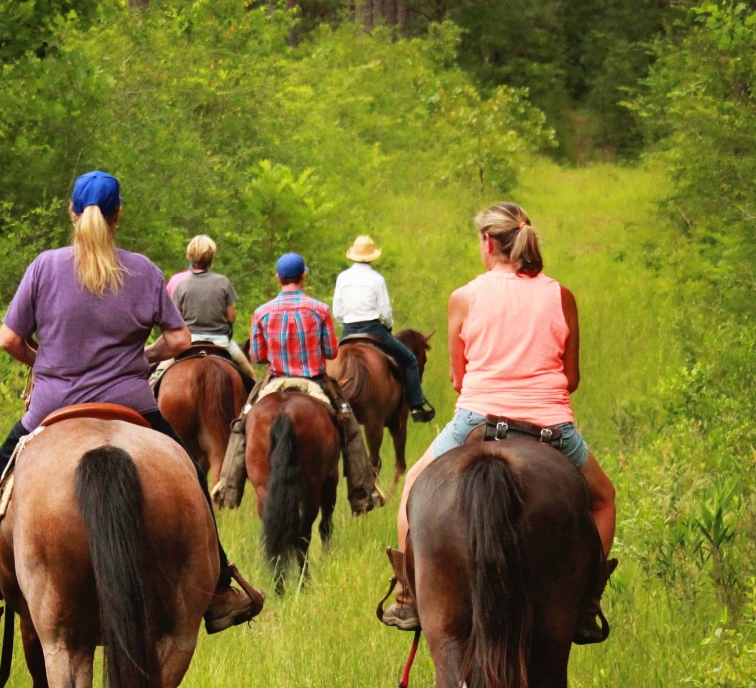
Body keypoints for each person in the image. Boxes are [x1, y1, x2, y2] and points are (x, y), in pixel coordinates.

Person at [0, 170, 263, 643]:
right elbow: (179, 339)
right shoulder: (144, 270)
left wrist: (41, 361)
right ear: (118, 215)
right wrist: (146, 356)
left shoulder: (44, 267)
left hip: (52, 405)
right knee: (191, 477)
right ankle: (217, 592)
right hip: (131, 403)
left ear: (72, 212)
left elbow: (8, 338)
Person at [381, 202, 616, 643]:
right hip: (551, 427)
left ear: (488, 242)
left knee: (412, 488)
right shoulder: (561, 295)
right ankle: (587, 600)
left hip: (476, 420)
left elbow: (457, 378)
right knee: (604, 500)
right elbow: (572, 378)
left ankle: (410, 594)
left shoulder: (464, 298)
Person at [213, 252, 380, 515]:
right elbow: (332, 353)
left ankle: (228, 487)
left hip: (275, 381)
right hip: (313, 381)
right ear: (303, 276)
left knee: (243, 423)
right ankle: (363, 492)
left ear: (278, 278)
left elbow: (258, 356)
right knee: (348, 425)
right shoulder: (320, 310)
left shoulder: (262, 312)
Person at [333, 235, 435, 422]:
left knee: (329, 364)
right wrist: (388, 327)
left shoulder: (342, 277)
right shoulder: (377, 279)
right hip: (373, 329)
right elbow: (385, 311)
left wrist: (346, 324)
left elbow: (337, 310)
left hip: (348, 331)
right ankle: (415, 405)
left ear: (353, 255)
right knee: (410, 359)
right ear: (372, 256)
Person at [168, 235, 255, 382]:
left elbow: (175, 318)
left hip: (189, 342)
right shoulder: (223, 282)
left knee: (159, 373)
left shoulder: (181, 285)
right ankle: (252, 402)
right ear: (211, 258)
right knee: (250, 375)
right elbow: (231, 317)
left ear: (190, 257)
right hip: (221, 342)